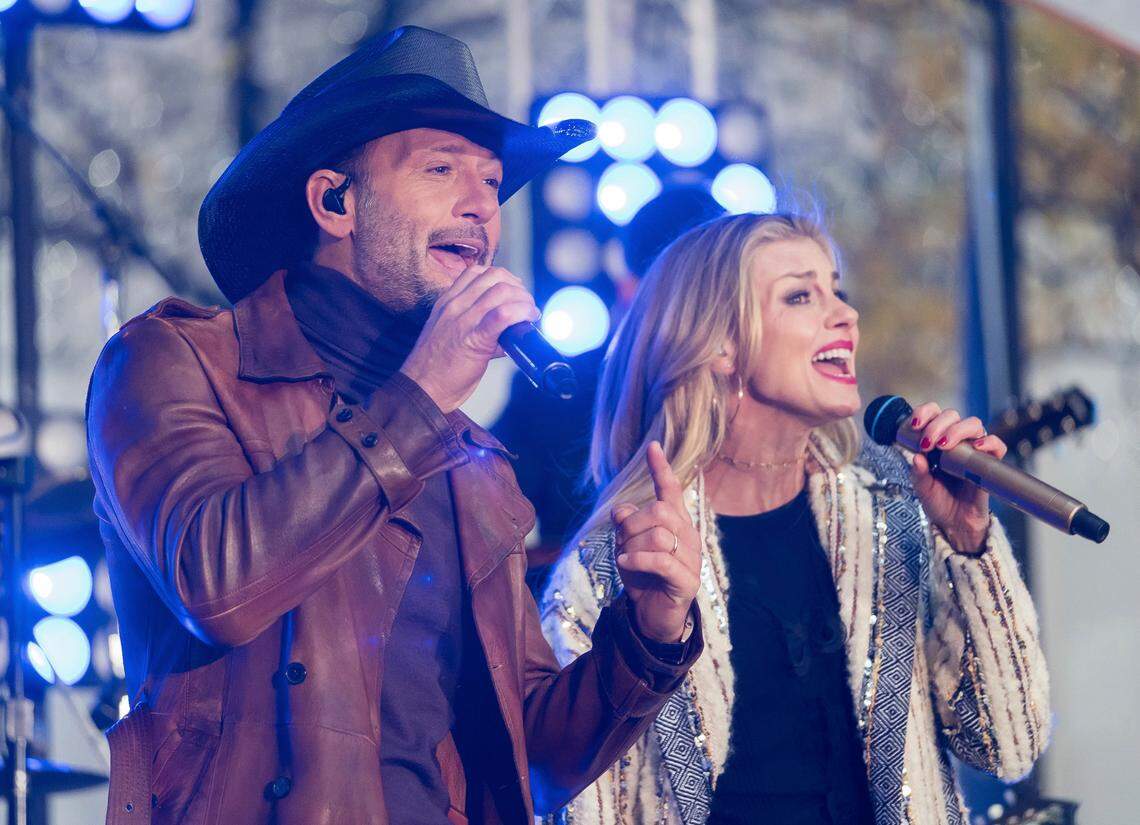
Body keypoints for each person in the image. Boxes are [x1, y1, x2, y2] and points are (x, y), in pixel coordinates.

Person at [86, 27, 704, 825]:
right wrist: (418, 400)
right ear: (334, 201)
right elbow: (218, 583)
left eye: (490, 182)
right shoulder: (174, 361)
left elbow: (530, 758)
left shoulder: (468, 455)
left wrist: (646, 635)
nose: (482, 204)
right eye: (442, 170)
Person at [540, 213, 1049, 824]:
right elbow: (577, 803)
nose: (845, 314)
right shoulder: (616, 568)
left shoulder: (894, 517)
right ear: (720, 344)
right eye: (801, 295)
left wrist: (970, 546)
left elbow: (1009, 746)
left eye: (837, 290)